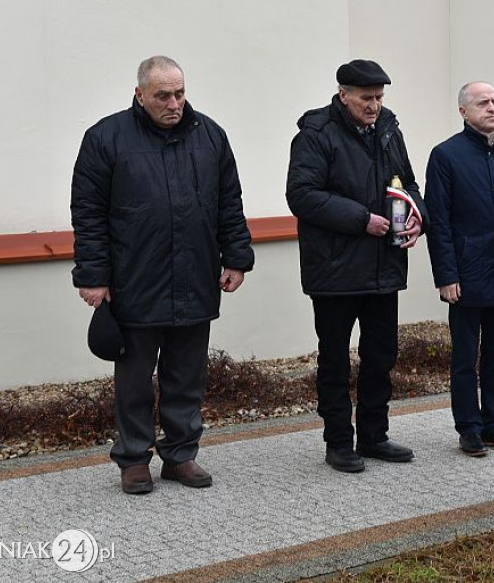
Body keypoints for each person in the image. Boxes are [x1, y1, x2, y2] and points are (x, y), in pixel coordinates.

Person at [71, 55, 254, 495]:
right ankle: (134, 458)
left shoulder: (210, 136)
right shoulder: (105, 138)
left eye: (180, 93)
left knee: (186, 375)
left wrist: (236, 257)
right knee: (134, 378)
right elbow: (88, 214)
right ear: (139, 94)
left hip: (195, 276)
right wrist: (93, 275)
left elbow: (229, 202)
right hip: (134, 280)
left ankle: (181, 455)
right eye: (162, 95)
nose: (174, 103)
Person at [287, 59, 427, 473]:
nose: (374, 106)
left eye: (380, 98)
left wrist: (419, 216)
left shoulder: (388, 130)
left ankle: (373, 435)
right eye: (366, 98)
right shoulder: (315, 135)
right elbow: (302, 195)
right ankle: (338, 442)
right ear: (343, 95)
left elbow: (410, 185)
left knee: (381, 354)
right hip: (335, 271)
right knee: (335, 360)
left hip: (384, 266)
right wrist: (361, 219)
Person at [425, 82, 494, 457]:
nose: (492, 108)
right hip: (467, 274)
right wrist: (446, 276)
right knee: (466, 357)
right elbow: (438, 221)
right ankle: (468, 427)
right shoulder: (446, 156)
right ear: (463, 111)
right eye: (483, 102)